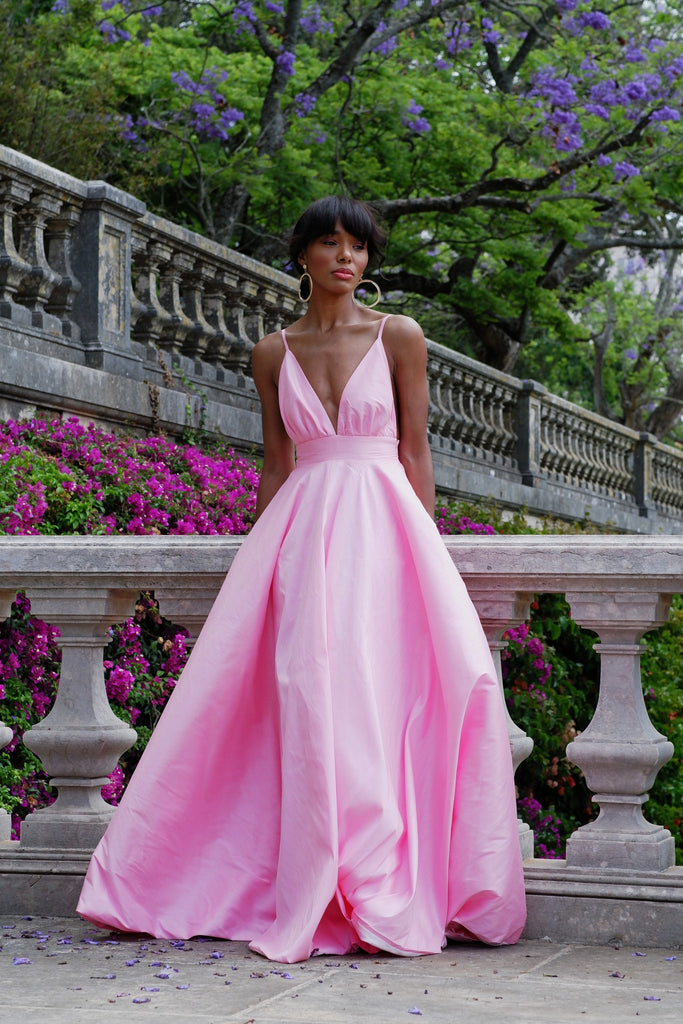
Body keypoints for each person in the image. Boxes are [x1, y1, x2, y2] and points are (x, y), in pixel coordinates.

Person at [77, 196, 526, 963]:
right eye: (328, 243)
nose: (345, 258)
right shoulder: (270, 352)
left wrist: (424, 552)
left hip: (386, 537)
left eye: (357, 246)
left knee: (392, 701)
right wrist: (261, 566)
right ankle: (297, 877)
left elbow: (415, 452)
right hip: (299, 539)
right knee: (307, 703)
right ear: (303, 257)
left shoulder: (400, 337)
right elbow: (277, 465)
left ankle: (380, 879)